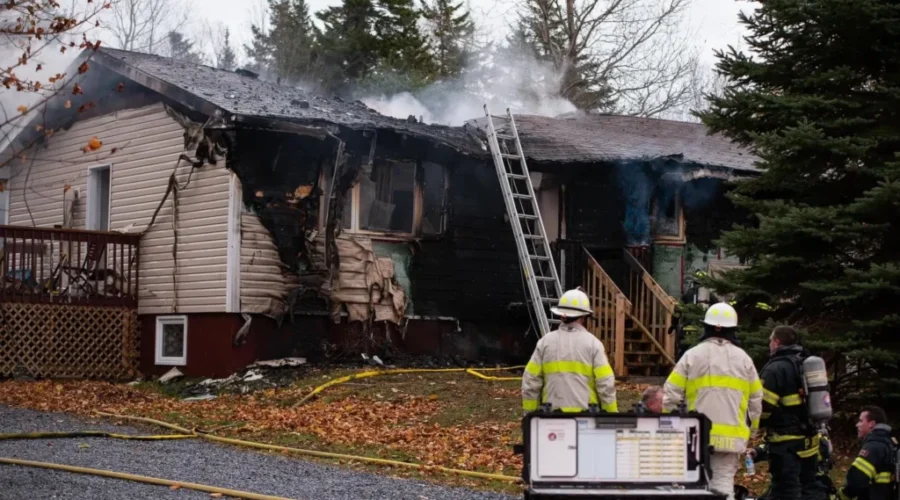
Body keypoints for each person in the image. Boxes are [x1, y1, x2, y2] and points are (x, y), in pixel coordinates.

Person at [663, 302, 762, 500]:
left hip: (696, 435)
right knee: (723, 487)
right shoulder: (744, 360)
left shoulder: (692, 355)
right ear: (732, 330)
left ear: (706, 327)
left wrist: (670, 426)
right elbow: (756, 401)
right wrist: (752, 431)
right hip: (731, 439)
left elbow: (670, 394)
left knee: (693, 487)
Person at [522, 287, 618, 414]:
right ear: (584, 316)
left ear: (561, 315)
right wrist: (611, 416)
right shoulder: (594, 344)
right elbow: (606, 385)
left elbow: (530, 382)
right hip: (587, 418)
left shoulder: (545, 342)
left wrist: (530, 417)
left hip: (550, 418)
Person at [758, 325, 823, 500]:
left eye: (770, 341)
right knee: (809, 488)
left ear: (777, 342)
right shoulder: (805, 363)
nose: (769, 345)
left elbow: (762, 407)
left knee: (785, 492)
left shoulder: (775, 369)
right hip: (810, 443)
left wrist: (757, 424)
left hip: (786, 446)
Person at [836, 406, 896, 500]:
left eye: (860, 421)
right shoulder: (889, 443)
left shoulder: (874, 446)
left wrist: (842, 495)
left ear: (871, 424)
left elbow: (856, 479)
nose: (857, 425)